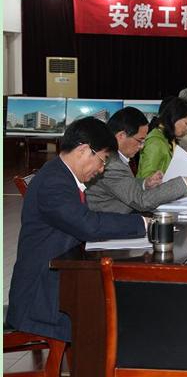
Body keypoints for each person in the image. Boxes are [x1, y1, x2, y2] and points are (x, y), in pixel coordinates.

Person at [6, 117, 147, 341]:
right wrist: (143, 224)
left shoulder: (61, 174)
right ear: (83, 150)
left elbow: (87, 221)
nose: (101, 169)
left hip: (59, 283)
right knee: (117, 318)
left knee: (120, 306)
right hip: (42, 298)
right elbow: (88, 225)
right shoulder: (54, 182)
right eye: (102, 160)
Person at [86, 107, 187, 214]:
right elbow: (141, 200)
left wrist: (145, 184)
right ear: (121, 136)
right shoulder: (111, 164)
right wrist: (182, 184)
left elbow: (125, 185)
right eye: (139, 140)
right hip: (111, 222)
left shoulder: (115, 157)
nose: (142, 146)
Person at [137, 97, 187, 179]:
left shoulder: (169, 138)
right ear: (174, 118)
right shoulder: (155, 142)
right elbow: (146, 178)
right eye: (186, 123)